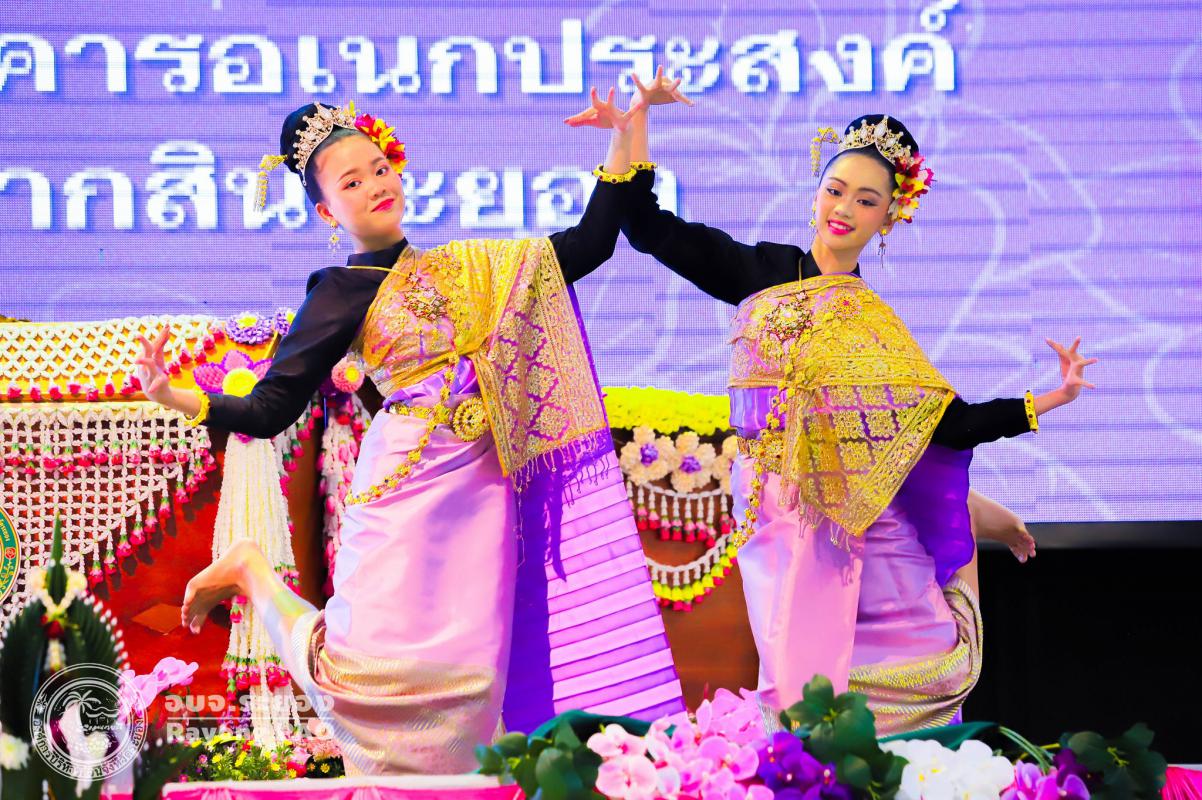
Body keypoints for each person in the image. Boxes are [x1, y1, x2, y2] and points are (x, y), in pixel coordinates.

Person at [134, 96, 684, 774]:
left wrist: (627, 133)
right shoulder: (339, 290)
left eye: (379, 168)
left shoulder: (470, 269)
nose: (375, 185)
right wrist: (174, 395)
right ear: (327, 213)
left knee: (474, 692)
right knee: (364, 682)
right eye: (351, 182)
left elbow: (588, 245)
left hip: (479, 497)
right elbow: (271, 407)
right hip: (402, 491)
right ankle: (252, 568)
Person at [600, 81, 1093, 732]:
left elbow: (947, 425)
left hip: (863, 538)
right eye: (835, 190)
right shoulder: (765, 274)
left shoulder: (873, 325)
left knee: (878, 695)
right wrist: (633, 127)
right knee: (800, 703)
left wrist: (1050, 398)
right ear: (815, 194)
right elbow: (646, 228)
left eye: (866, 200)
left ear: (888, 217)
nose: (844, 209)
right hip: (783, 522)